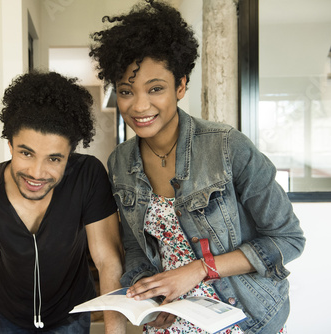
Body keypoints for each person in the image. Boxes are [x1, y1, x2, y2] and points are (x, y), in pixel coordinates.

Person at [89, 1, 305, 333]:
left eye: (156, 88)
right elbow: (135, 247)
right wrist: (149, 289)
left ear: (180, 86)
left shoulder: (227, 146)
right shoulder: (120, 162)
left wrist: (200, 269)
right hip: (171, 319)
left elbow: (288, 239)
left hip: (243, 316)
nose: (139, 105)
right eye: (126, 91)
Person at [0, 71, 126, 333]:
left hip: (71, 312)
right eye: (26, 153)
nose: (36, 172)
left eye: (54, 159)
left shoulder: (87, 177)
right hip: (8, 314)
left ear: (70, 155)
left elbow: (108, 262)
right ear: (10, 145)